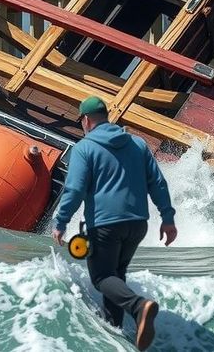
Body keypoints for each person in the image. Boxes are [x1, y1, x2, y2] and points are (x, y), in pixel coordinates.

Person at [52, 96, 178, 351]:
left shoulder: (84, 148)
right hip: (137, 224)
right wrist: (167, 218)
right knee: (115, 276)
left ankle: (139, 307)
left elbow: (75, 189)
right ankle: (116, 334)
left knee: (101, 277)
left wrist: (61, 221)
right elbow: (158, 183)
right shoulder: (137, 144)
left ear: (86, 120)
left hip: (106, 225)